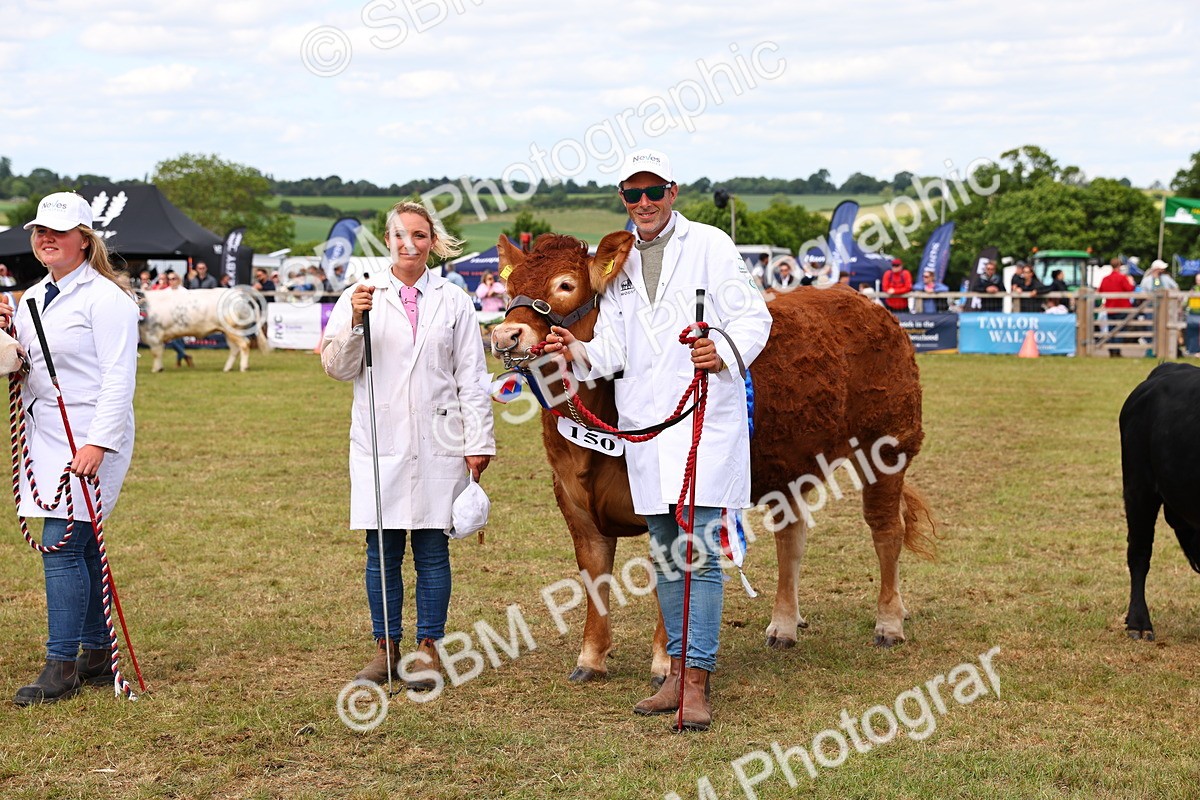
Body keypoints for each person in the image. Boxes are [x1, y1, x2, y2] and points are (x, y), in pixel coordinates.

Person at [545, 149, 772, 731]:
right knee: (666, 553)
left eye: (653, 192)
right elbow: (614, 353)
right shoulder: (615, 264)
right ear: (623, 198)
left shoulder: (711, 246)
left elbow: (755, 321)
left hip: (702, 420)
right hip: (646, 431)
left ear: (673, 192)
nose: (643, 204)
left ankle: (696, 679)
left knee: (698, 552)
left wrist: (721, 352)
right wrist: (573, 350)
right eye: (632, 194)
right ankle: (673, 673)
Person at [322, 201, 495, 691]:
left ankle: (427, 649)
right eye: (399, 235)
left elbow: (471, 376)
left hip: (441, 439)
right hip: (382, 438)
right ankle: (385, 647)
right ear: (387, 240)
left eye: (419, 235)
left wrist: (478, 440)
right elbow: (337, 366)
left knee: (432, 548)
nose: (409, 244)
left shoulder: (454, 300)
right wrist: (357, 323)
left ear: (432, 241)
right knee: (382, 549)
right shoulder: (360, 296)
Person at [0, 193, 139, 706]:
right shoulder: (32, 297)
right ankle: (98, 655)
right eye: (40, 230)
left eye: (58, 230)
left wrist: (99, 442)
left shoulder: (107, 299)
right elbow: (25, 366)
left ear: (85, 237)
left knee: (59, 547)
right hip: (46, 435)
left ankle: (61, 664)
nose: (46, 238)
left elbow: (118, 379)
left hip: (91, 435)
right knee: (75, 546)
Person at [1099, 259, 1136, 356]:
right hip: (1122, 307)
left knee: (1112, 329)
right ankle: (1117, 350)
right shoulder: (1122, 278)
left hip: (1110, 308)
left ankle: (1111, 349)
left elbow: (1101, 291)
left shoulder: (1105, 279)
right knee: (1120, 329)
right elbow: (1130, 289)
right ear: (1119, 266)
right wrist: (1131, 282)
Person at [159, 271, 194, 367]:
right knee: (172, 340)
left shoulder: (184, 291)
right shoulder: (165, 292)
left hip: (181, 319)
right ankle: (185, 356)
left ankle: (179, 361)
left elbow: (189, 305)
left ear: (178, 280)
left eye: (173, 278)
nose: (171, 281)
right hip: (169, 320)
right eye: (169, 279)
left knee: (178, 340)